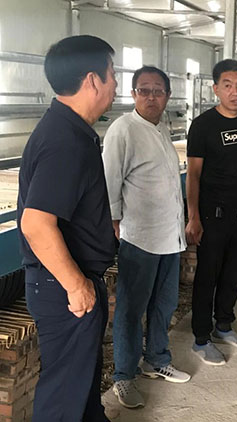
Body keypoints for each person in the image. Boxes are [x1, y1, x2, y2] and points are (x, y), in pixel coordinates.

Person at [17, 35, 117, 422]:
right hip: (64, 287)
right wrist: (76, 286)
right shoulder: (65, 141)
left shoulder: (69, 131)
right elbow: (36, 224)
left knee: (81, 387)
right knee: (63, 398)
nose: (115, 84)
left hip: (70, 281)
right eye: (112, 74)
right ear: (92, 80)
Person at [102, 66, 191, 408]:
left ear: (167, 96)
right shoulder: (124, 129)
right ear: (133, 94)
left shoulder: (161, 128)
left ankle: (156, 359)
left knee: (164, 303)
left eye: (158, 91)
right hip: (140, 237)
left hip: (169, 236)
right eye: (144, 90)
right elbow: (110, 180)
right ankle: (124, 376)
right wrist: (114, 223)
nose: (151, 97)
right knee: (130, 309)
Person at [186, 59, 237, 365]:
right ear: (215, 89)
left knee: (235, 273)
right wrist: (194, 216)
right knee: (208, 275)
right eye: (227, 85)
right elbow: (193, 175)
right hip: (214, 213)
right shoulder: (203, 125)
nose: (235, 92)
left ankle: (224, 325)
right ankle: (200, 338)